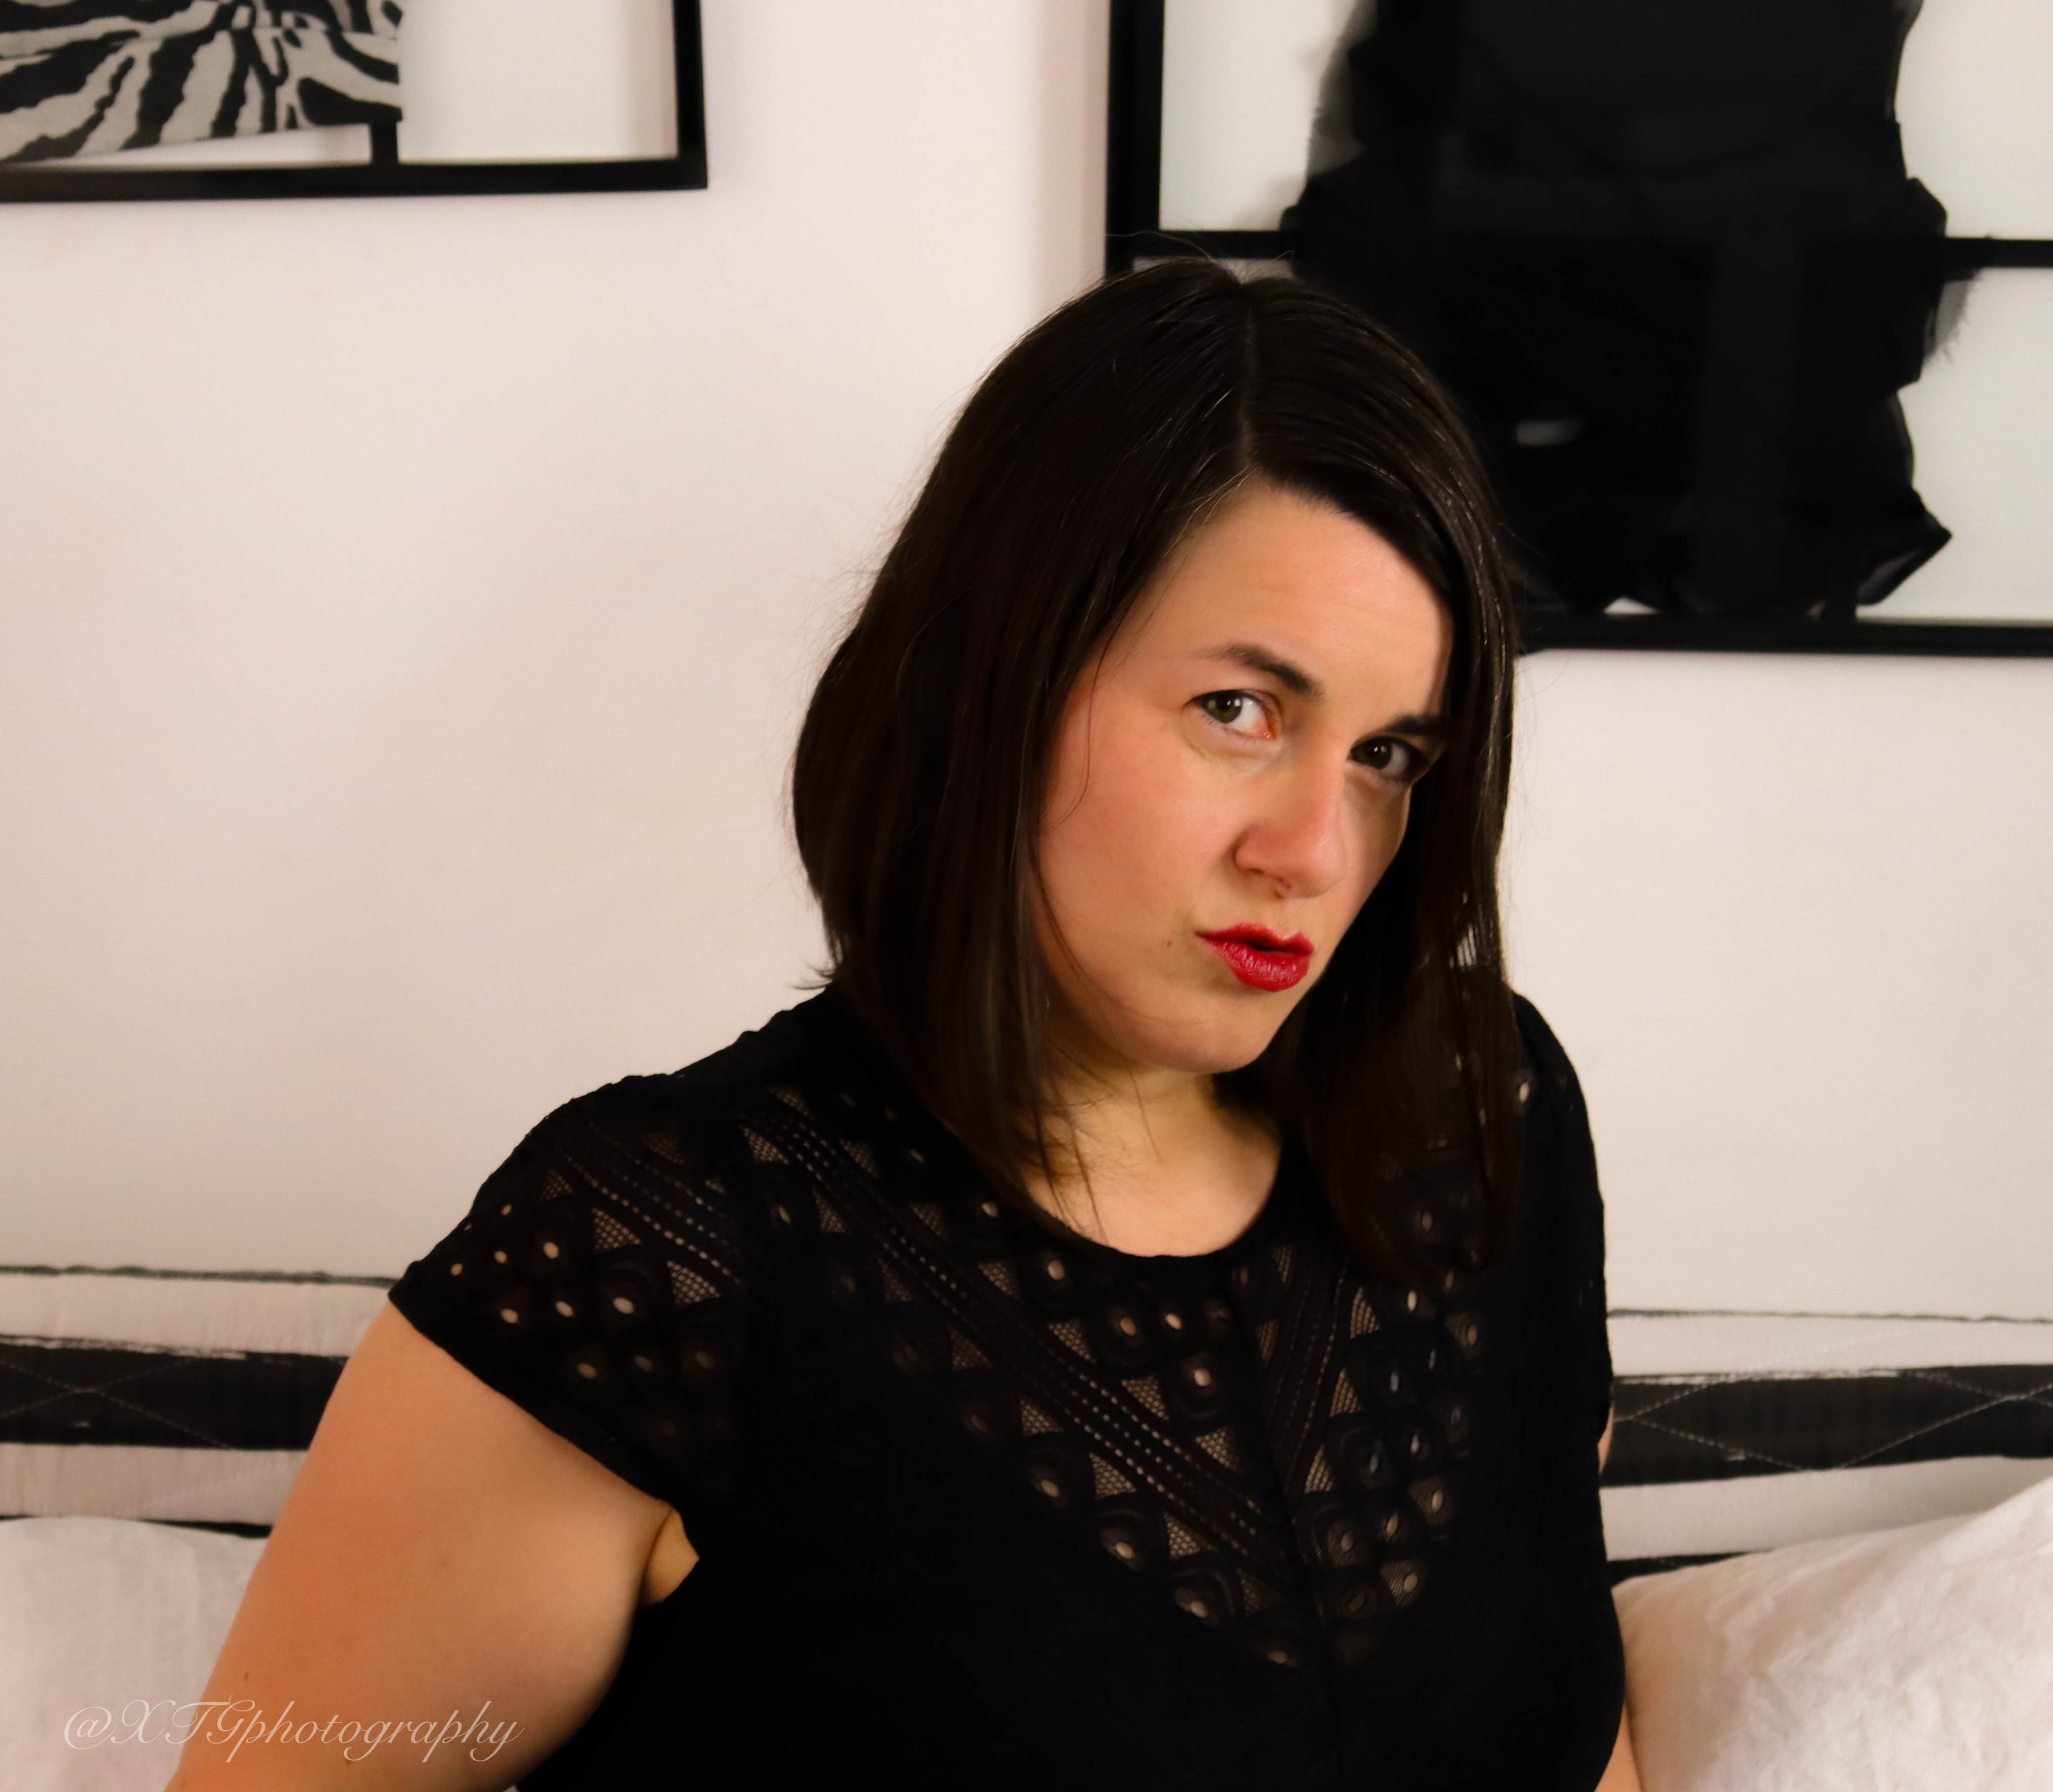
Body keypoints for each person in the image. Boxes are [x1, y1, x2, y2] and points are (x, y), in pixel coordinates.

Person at [170, 260, 1641, 1790]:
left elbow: (1571, 1730)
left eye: (1388, 754)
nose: (1315, 850)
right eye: (1237, 710)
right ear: (991, 682)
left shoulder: (1482, 1114)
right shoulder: (659, 1246)